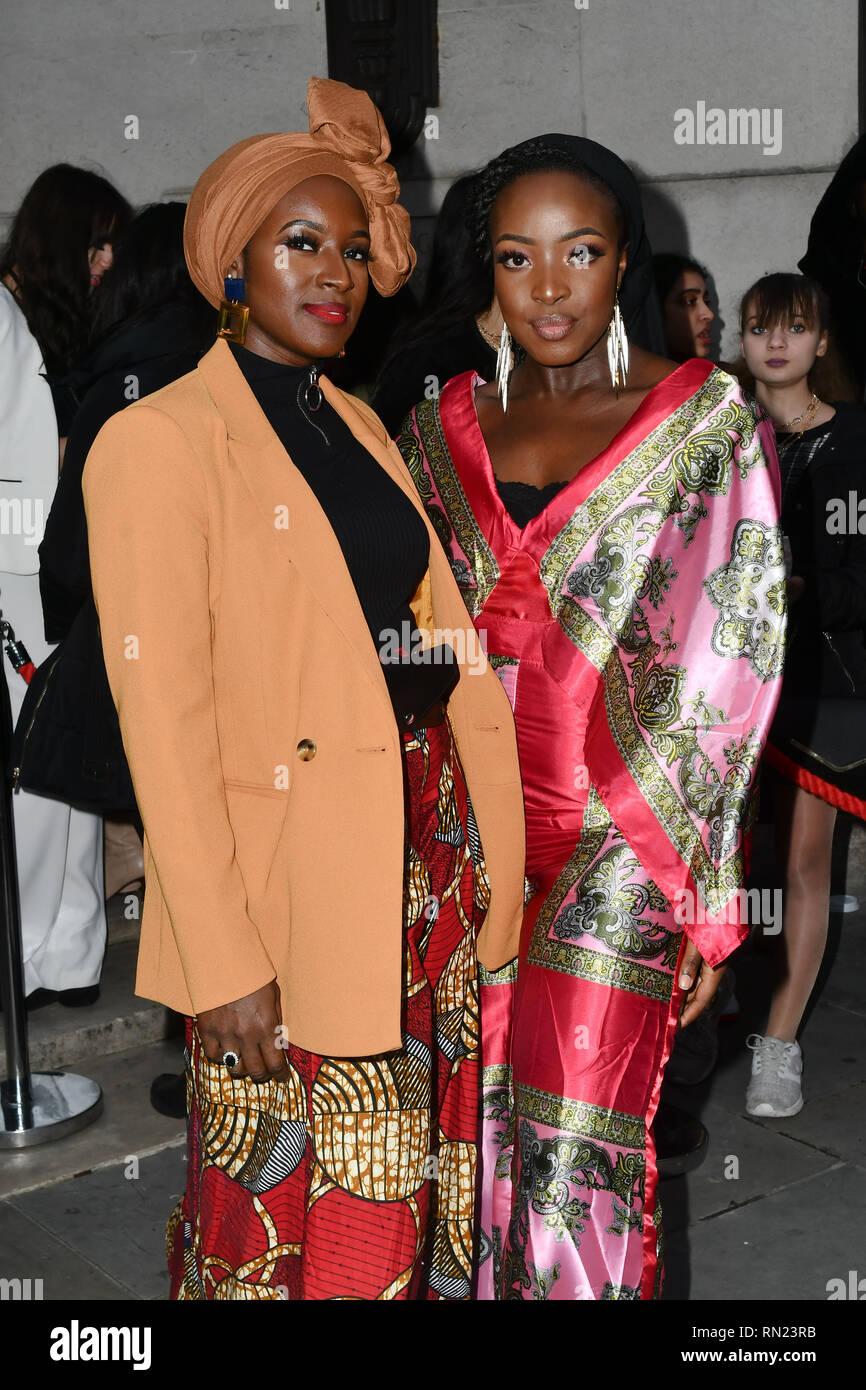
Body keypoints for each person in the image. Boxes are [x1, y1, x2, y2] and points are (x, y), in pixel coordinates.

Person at [83, 77, 525, 1301]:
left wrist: (488, 847)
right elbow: (160, 720)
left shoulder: (355, 424)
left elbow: (421, 638)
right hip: (281, 898)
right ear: (233, 264)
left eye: (345, 246)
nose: (331, 271)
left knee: (410, 1204)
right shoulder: (159, 442)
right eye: (297, 243)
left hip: (418, 859)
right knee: (281, 1225)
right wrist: (221, 958)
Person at [396, 134, 786, 1299]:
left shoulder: (700, 420)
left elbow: (734, 655)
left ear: (625, 262)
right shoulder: (435, 427)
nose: (549, 286)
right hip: (466, 830)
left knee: (574, 1152)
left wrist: (704, 881)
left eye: (581, 252)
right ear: (486, 269)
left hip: (622, 836)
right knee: (465, 1137)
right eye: (517, 257)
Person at [0, 163, 130, 1008]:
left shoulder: (38, 326)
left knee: (64, 768)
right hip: (18, 576)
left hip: (50, 574)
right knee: (36, 781)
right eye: (95, 248)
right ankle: (38, 957)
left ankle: (68, 958)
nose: (104, 267)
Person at [737, 272, 866, 1118]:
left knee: (805, 861)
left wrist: (791, 588)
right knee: (731, 864)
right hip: (730, 682)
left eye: (795, 327)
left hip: (831, 681)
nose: (776, 342)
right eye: (760, 327)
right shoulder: (717, 433)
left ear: (821, 343)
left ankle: (776, 1047)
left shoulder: (855, 440)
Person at [652, 252, 716, 362]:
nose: (709, 314)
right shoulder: (625, 377)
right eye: (690, 301)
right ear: (654, 311)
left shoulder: (722, 376)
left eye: (707, 301)